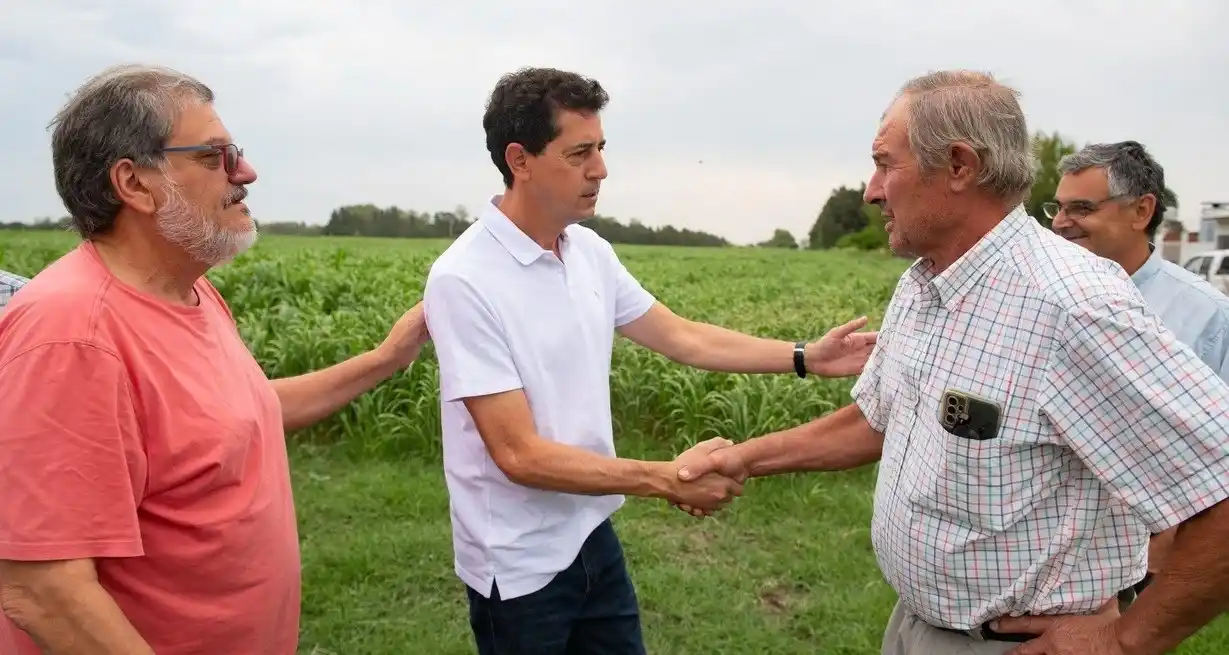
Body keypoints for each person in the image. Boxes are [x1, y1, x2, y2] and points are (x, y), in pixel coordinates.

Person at [673, 70, 1229, 655]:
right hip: (915, 626)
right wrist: (742, 459)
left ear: (960, 166)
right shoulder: (923, 283)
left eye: (886, 164)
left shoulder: (1074, 306)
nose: (871, 190)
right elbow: (877, 421)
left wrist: (1124, 640)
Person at [423, 66, 878, 655]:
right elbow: (518, 453)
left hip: (591, 532)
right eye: (579, 152)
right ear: (520, 159)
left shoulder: (587, 250)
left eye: (602, 148)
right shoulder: (465, 279)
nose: (600, 169)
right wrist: (665, 479)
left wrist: (804, 357)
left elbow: (683, 336)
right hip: (517, 564)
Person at [0, 64, 429, 655]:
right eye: (215, 157)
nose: (245, 173)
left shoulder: (190, 291)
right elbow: (43, 588)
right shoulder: (73, 336)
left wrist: (386, 357)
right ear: (135, 183)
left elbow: (235, 416)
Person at [1047, 140, 1229, 599]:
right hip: (1042, 551)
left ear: (1141, 210)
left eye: (1081, 208)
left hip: (1137, 566)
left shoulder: (1207, 317)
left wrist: (1157, 566)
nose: (1061, 222)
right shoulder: (1044, 296)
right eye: (1059, 207)